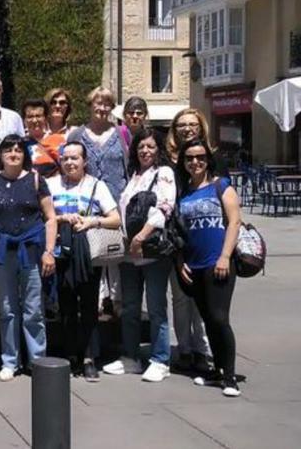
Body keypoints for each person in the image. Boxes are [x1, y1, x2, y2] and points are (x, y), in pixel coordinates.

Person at [0, 134, 57, 381]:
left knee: (33, 308)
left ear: (25, 155)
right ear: (0, 155)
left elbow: (50, 217)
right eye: (8, 150)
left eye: (18, 150)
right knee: (8, 308)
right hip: (3, 251)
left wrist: (49, 251)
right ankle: (10, 361)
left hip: (31, 250)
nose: (13, 154)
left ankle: (36, 360)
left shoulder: (36, 180)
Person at [104, 127, 176, 383]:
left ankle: (160, 360)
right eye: (141, 146)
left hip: (152, 251)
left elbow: (164, 208)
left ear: (159, 150)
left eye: (151, 147)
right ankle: (131, 357)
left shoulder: (163, 174)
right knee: (131, 307)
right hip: (129, 254)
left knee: (156, 307)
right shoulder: (134, 176)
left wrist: (140, 237)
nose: (145, 151)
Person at [47, 142, 121, 382]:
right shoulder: (50, 185)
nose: (70, 162)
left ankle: (89, 357)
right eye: (66, 158)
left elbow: (115, 219)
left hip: (87, 254)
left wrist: (91, 221)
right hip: (60, 252)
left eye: (75, 158)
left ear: (84, 161)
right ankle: (70, 355)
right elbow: (42, 216)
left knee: (89, 306)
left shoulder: (96, 186)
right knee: (66, 306)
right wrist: (59, 218)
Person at [175, 139, 243, 398]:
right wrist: (181, 262)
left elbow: (235, 222)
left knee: (219, 318)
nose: (195, 162)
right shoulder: (184, 193)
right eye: (189, 158)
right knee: (208, 319)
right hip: (194, 265)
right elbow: (178, 233)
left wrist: (225, 256)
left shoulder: (220, 186)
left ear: (208, 159)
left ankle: (230, 376)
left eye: (200, 157)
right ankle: (217, 369)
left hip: (219, 263)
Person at [67, 87, 129, 321]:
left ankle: (116, 300)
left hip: (116, 198)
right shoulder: (77, 135)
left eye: (107, 104)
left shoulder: (121, 134)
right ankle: (97, 301)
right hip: (88, 199)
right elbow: (69, 161)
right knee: (94, 249)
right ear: (90, 105)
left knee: (114, 249)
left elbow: (127, 165)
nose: (102, 108)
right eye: (98, 103)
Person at [165, 108, 215, 374]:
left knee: (204, 299)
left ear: (201, 127)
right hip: (179, 237)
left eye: (192, 124)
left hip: (205, 236)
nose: (187, 128)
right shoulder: (168, 162)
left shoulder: (210, 157)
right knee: (181, 297)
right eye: (181, 124)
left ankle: (202, 349)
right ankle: (184, 348)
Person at [24, 99, 61, 178]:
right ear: (24, 120)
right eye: (30, 117)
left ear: (46, 118)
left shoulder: (58, 140)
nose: (34, 120)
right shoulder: (20, 144)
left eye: (38, 116)